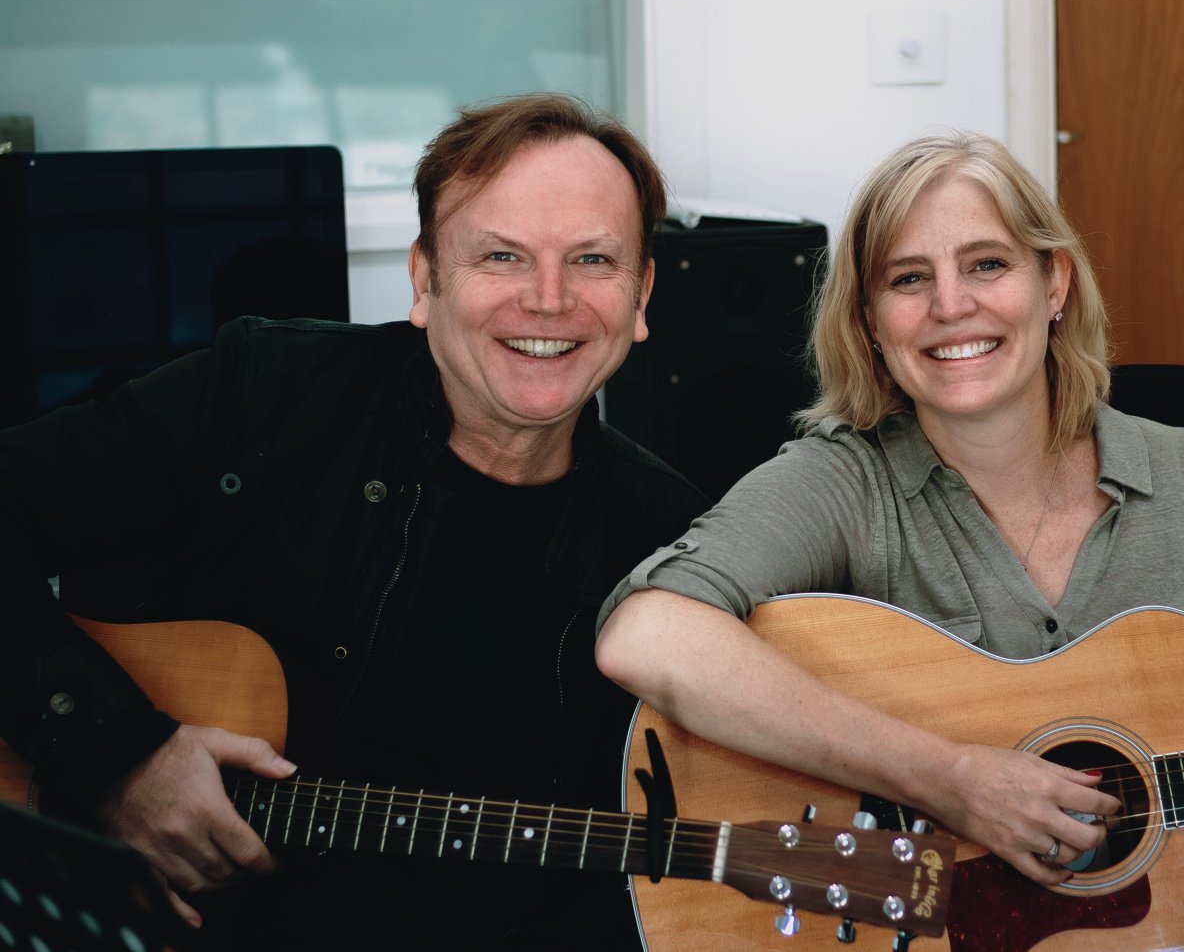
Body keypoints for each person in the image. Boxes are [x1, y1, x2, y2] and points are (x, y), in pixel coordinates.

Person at [594, 130, 1184, 951]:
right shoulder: (842, 482)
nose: (952, 305)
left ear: (1056, 283)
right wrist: (953, 778)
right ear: (871, 326)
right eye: (909, 279)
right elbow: (647, 633)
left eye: (988, 264)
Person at [0, 93, 707, 950]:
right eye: (501, 255)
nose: (548, 300)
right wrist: (118, 751)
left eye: (591, 259)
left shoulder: (671, 539)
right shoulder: (262, 395)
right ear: (424, 279)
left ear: (641, 295)